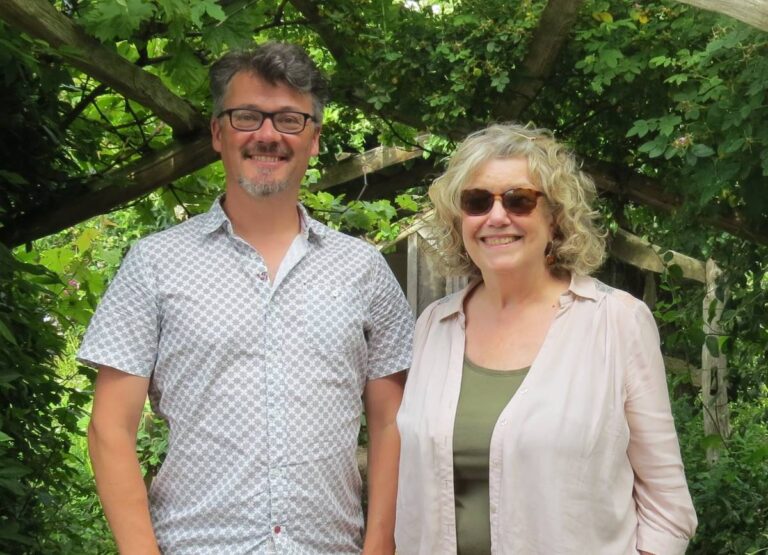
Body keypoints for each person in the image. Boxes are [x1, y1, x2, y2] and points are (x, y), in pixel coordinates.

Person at [79, 42, 413, 554]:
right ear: (218, 133)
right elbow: (109, 428)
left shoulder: (363, 270)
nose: (267, 135)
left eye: (289, 120)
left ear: (315, 138)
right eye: (247, 116)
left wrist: (380, 546)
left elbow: (392, 422)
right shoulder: (153, 264)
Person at [395, 123, 697, 554]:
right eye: (477, 201)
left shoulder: (616, 322)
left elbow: (667, 505)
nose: (496, 217)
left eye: (519, 200)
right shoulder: (434, 326)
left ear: (554, 217)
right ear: (459, 218)